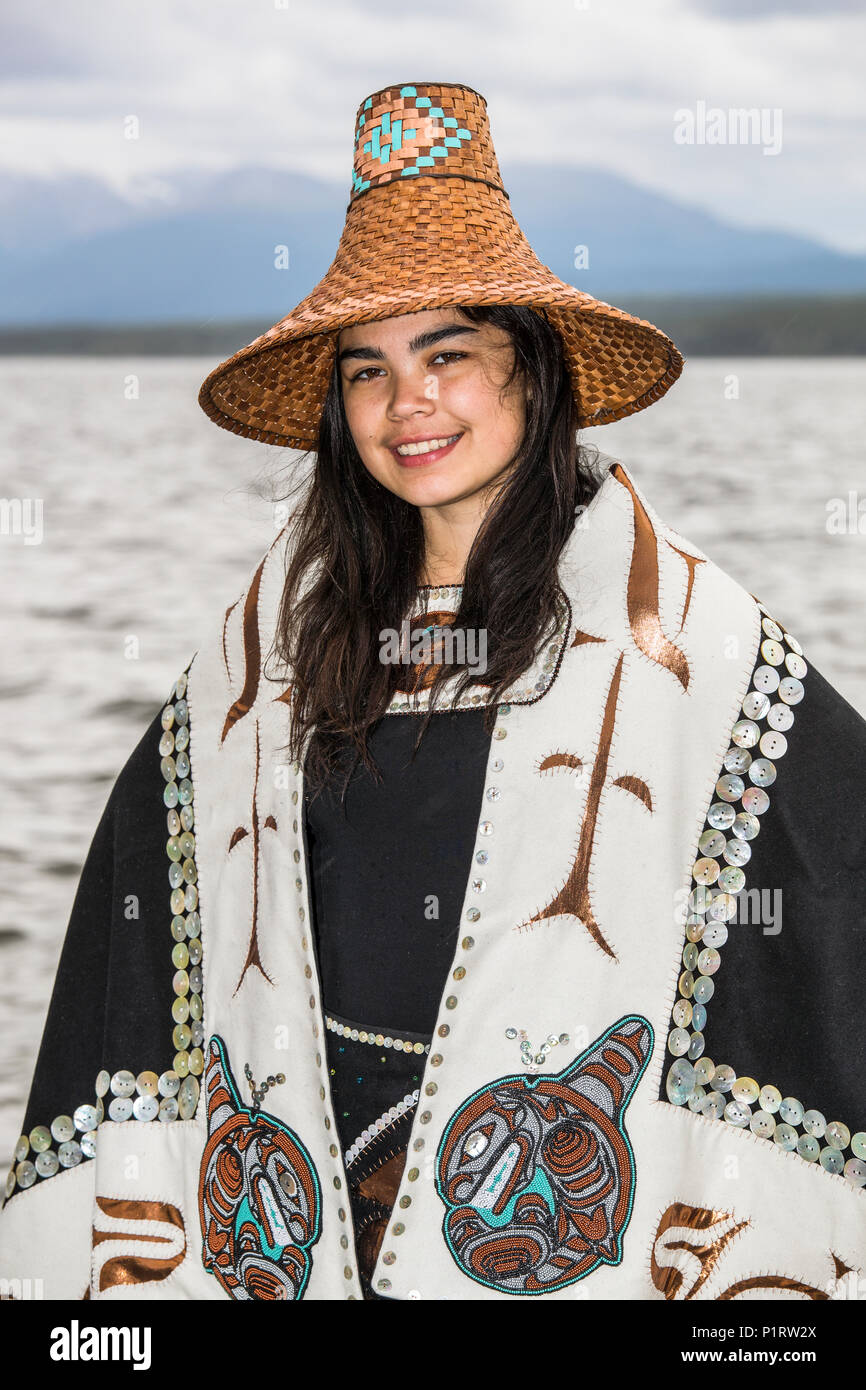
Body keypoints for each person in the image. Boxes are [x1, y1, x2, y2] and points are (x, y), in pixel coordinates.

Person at [2, 80, 865, 1304]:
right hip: (306, 1233)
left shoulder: (681, 643)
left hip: (561, 1235)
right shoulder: (259, 665)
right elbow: (129, 959)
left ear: (534, 373)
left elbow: (834, 877)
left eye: (448, 354)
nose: (407, 403)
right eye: (367, 370)